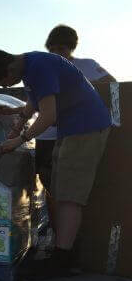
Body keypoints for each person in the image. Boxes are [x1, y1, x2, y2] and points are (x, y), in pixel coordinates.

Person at [0, 50, 111, 278]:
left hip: (85, 128)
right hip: (71, 129)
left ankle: (62, 260)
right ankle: (63, 249)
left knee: (70, 195)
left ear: (9, 69)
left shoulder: (40, 67)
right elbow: (33, 102)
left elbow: (48, 115)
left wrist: (20, 139)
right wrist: (16, 120)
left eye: (4, 83)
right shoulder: (30, 67)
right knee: (59, 190)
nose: (7, 87)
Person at [35, 24, 116, 190]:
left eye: (61, 48)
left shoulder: (87, 65)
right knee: (46, 178)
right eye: (52, 49)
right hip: (46, 133)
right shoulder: (43, 68)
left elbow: (112, 84)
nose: (56, 52)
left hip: (76, 133)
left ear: (71, 48)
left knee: (70, 183)